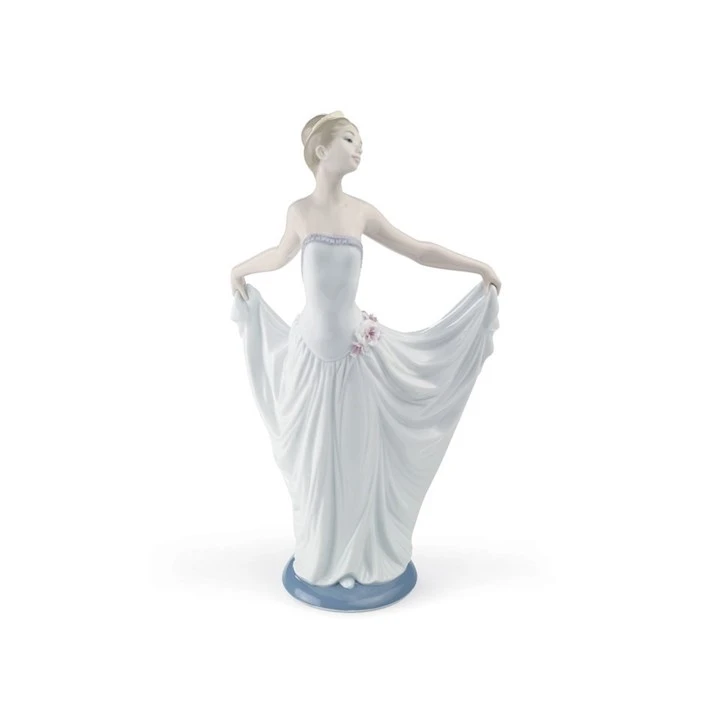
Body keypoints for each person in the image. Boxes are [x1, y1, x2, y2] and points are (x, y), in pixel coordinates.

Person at [230, 111, 500, 603]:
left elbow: (419, 251)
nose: (359, 147)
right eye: (349, 139)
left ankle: (360, 555)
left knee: (355, 456)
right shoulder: (299, 213)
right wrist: (239, 271)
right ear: (321, 150)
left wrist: (476, 266)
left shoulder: (361, 212)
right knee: (317, 464)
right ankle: (324, 554)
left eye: (360, 141)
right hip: (311, 358)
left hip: (355, 355)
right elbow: (278, 255)